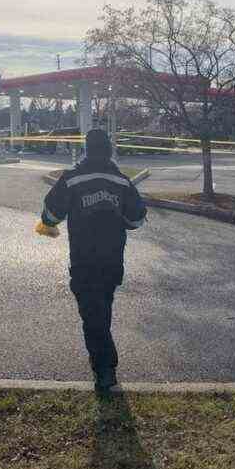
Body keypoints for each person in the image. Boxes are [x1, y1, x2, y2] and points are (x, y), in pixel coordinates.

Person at [36, 129, 147, 392]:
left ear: (86, 149)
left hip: (84, 259)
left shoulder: (72, 179)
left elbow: (51, 214)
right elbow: (136, 219)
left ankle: (105, 370)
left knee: (92, 315)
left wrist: (49, 223)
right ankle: (104, 364)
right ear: (109, 150)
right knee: (102, 310)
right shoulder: (121, 182)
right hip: (112, 260)